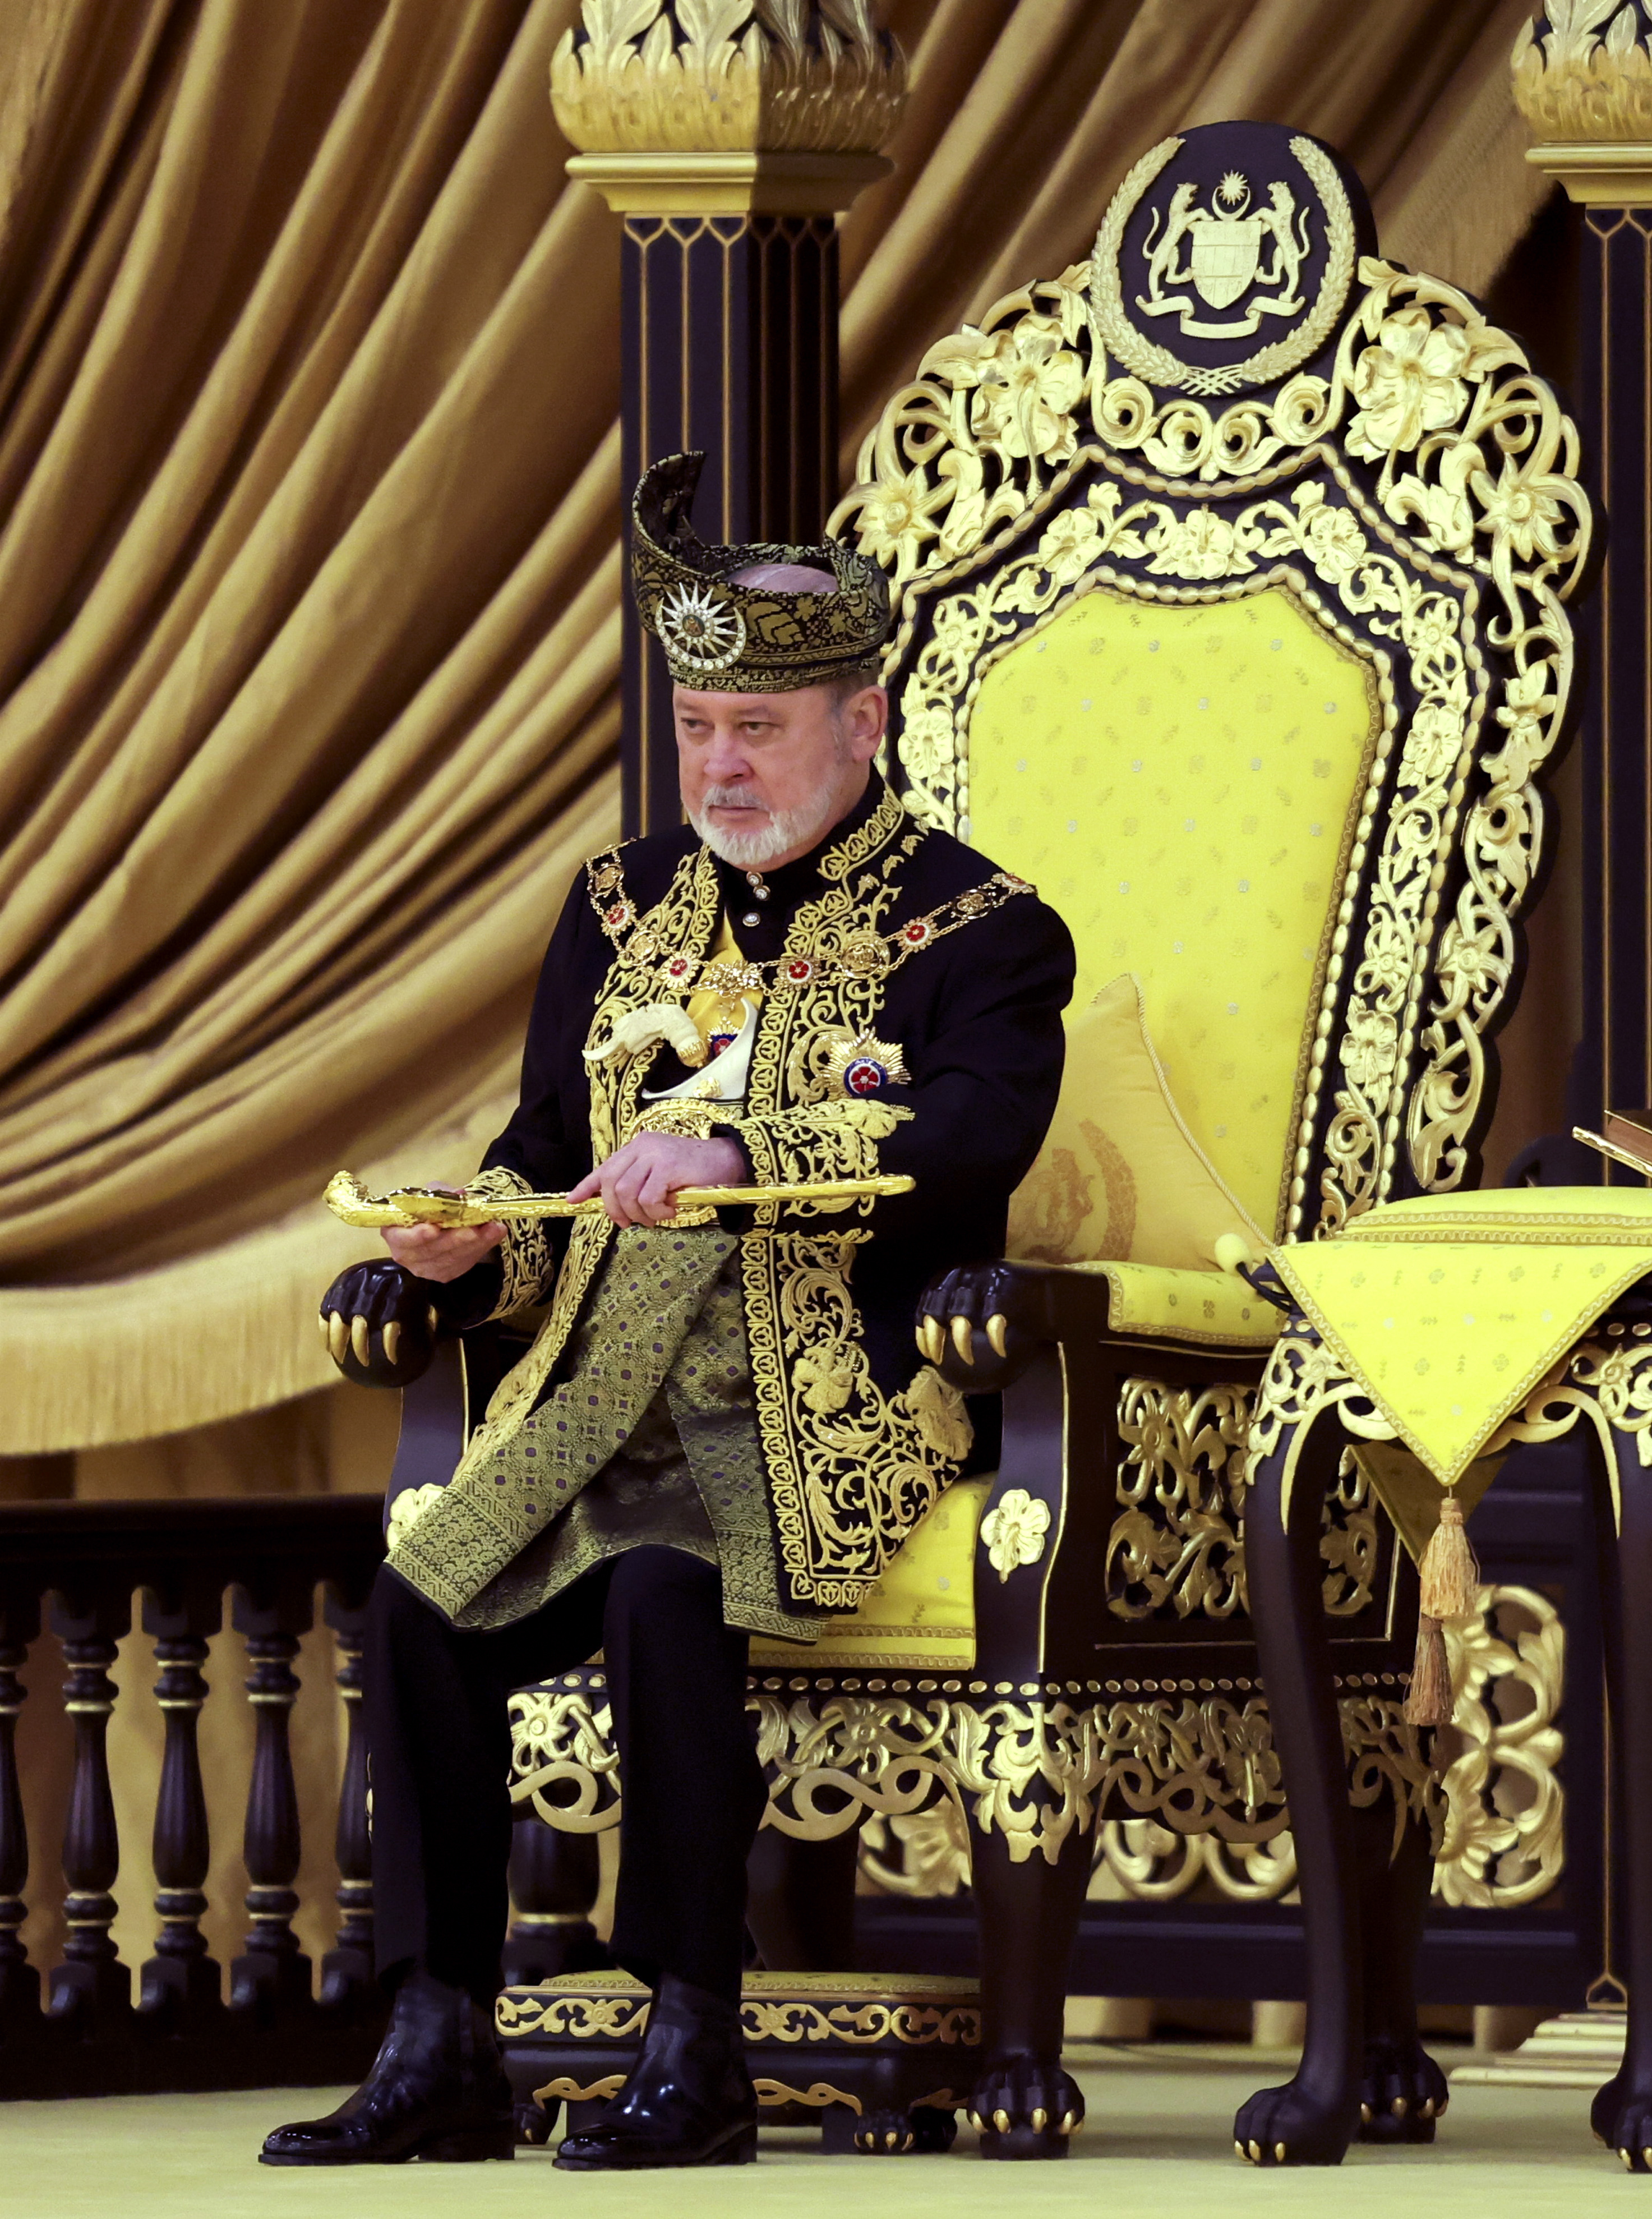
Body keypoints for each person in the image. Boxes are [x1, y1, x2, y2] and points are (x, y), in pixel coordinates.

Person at [265, 453, 1075, 2167]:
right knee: (422, 1596)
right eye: (698, 723)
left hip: (828, 1389)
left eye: (755, 731)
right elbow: (546, 1158)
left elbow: (974, 1135)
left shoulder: (983, 927)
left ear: (863, 722)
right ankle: (441, 2034)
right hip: (595, 1393)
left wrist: (736, 1146)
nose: (716, 763)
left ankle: (693, 2040)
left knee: (655, 1588)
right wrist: (471, 1248)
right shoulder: (616, 905)